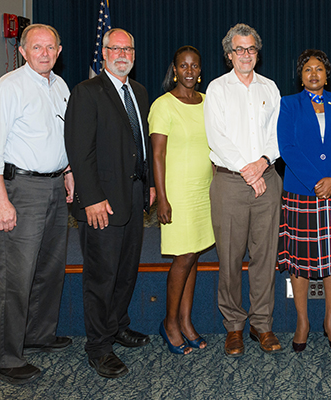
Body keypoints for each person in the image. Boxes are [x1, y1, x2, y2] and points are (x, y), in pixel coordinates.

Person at [0, 23, 73, 385]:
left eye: (51, 47)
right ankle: (4, 359)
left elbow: (60, 139)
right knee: (15, 277)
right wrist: (0, 202)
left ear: (59, 52)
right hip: (21, 192)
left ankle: (38, 335)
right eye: (37, 47)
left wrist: (68, 172)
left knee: (49, 269)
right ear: (23, 50)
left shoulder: (59, 86)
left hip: (53, 189)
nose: (44, 53)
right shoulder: (8, 89)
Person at [65, 28, 155, 378]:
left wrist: (147, 185)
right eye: (115, 48)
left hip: (133, 195)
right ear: (103, 53)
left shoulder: (139, 91)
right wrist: (92, 199)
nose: (122, 54)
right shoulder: (86, 92)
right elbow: (79, 150)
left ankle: (117, 325)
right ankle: (98, 346)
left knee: (125, 269)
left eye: (128, 48)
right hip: (101, 200)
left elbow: (140, 144)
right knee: (101, 276)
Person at [204, 23, 282, 356]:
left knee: (265, 258)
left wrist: (262, 162)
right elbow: (217, 138)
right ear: (229, 54)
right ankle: (234, 326)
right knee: (231, 259)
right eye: (239, 49)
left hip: (267, 178)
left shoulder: (271, 88)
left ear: (257, 52)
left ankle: (262, 325)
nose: (245, 55)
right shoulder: (217, 89)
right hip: (230, 184)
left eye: (251, 49)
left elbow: (278, 134)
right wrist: (249, 172)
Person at [278, 49, 331, 353]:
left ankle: (330, 321)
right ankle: (302, 322)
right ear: (301, 75)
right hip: (302, 192)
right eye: (308, 69)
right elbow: (287, 147)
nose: (314, 74)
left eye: (319, 69)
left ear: (327, 74)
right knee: (300, 262)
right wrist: (316, 182)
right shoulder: (288, 105)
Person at [149, 45, 214, 355]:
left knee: (195, 255)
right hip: (177, 192)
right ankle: (170, 323)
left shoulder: (206, 102)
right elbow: (157, 155)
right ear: (174, 70)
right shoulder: (163, 105)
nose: (189, 71)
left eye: (194, 66)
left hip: (204, 190)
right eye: (183, 66)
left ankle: (186, 322)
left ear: (200, 70)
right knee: (183, 256)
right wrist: (162, 198)